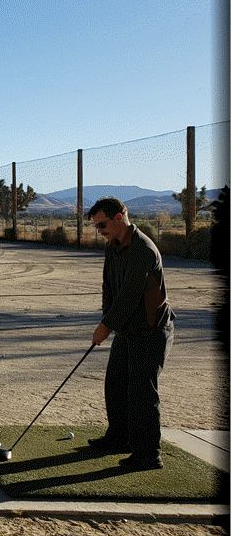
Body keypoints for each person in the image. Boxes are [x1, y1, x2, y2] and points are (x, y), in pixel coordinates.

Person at [86, 197, 175, 470]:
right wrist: (107, 320)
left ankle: (149, 455)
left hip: (151, 331)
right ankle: (119, 439)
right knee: (115, 383)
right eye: (96, 226)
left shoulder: (142, 249)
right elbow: (109, 289)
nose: (99, 230)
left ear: (119, 218)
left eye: (102, 224)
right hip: (128, 329)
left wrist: (105, 326)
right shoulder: (112, 247)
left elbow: (129, 295)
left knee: (142, 392)